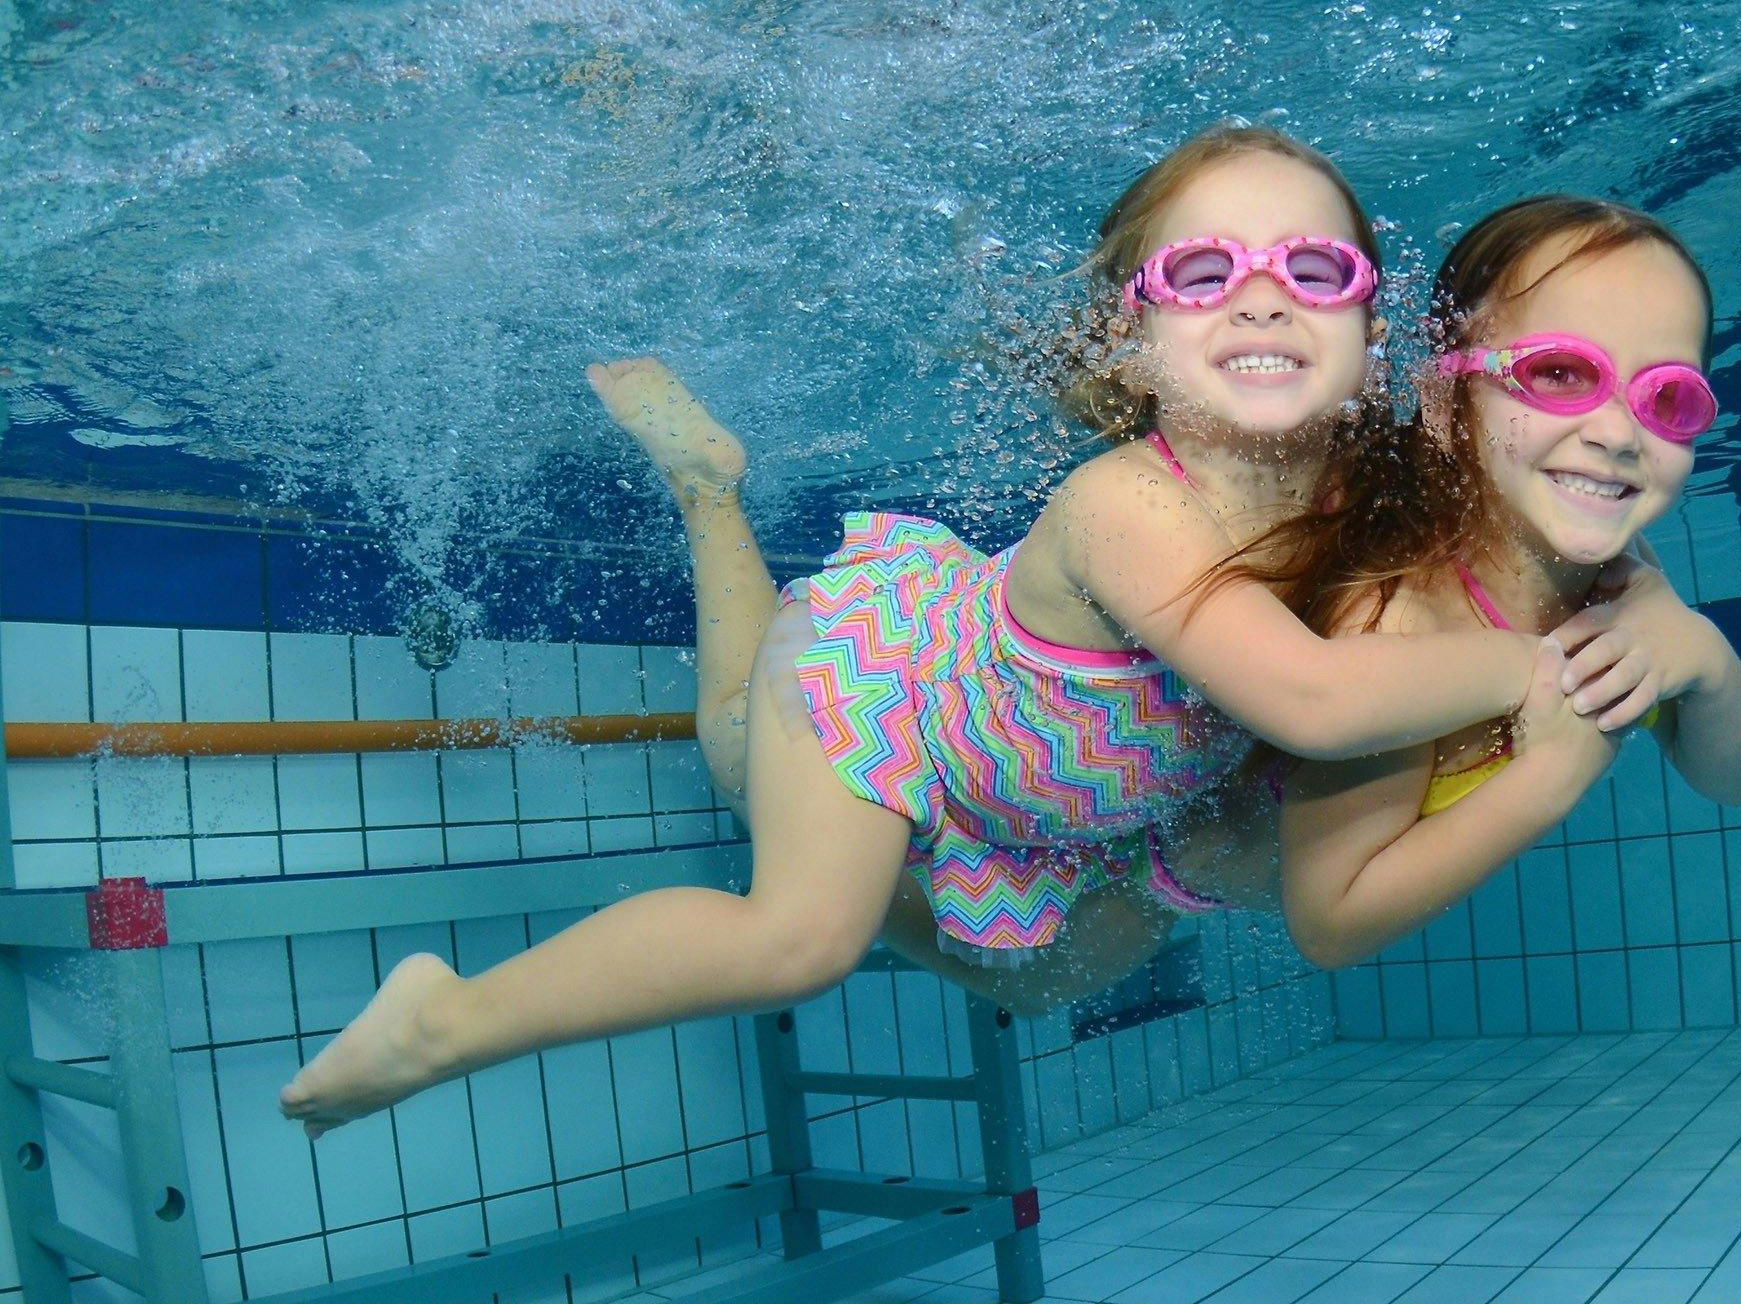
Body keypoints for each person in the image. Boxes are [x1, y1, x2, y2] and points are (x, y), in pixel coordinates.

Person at [277, 125, 1573, 1135]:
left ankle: (731, 536)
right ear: (1124, 346)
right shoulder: (1124, 503)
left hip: (1060, 802)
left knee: (1038, 982)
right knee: (791, 912)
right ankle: (449, 1018)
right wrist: (1537, 670)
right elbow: (1311, 702)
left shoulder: (1364, 511)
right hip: (898, 694)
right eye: (1199, 273)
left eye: (1312, 270)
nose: (1262, 299)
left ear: (1368, 327)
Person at [1263, 196, 1741, 968]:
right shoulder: (1398, 627)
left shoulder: (1614, 575)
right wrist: (1551, 776)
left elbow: (1731, 779)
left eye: (1665, 395)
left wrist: (1704, 658)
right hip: (1149, 865)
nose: (1615, 433)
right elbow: (1327, 924)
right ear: (1444, 400)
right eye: (1559, 373)